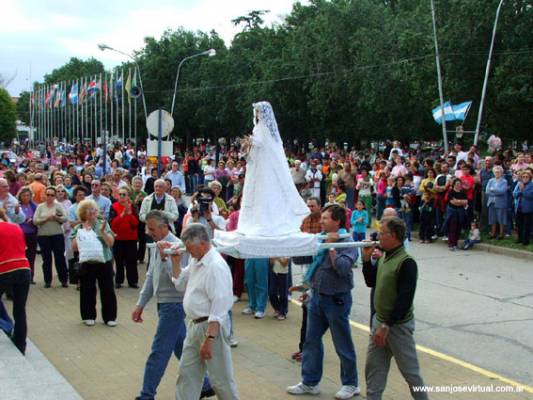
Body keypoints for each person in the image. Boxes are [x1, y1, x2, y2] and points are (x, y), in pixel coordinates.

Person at [132, 211, 213, 400]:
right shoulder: (158, 245)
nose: (148, 232)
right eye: (148, 228)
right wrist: (140, 304)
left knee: (159, 352)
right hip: (164, 305)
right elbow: (151, 276)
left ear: (164, 227)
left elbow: (179, 280)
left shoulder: (178, 246)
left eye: (152, 228)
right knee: (182, 348)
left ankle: (146, 395)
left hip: (174, 306)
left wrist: (164, 258)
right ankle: (205, 385)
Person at [287, 204, 360, 399]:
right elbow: (310, 264)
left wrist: (332, 246)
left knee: (342, 343)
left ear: (337, 221)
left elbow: (342, 268)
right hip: (317, 298)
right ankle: (310, 382)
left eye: (325, 218)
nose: (321, 221)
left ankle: (351, 384)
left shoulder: (347, 242)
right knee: (311, 341)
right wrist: (307, 288)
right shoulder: (320, 239)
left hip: (337, 300)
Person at [169, 223, 239, 400]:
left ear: (202, 243)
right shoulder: (196, 260)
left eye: (189, 247)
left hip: (211, 327)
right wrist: (175, 262)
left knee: (221, 380)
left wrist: (209, 339)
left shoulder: (215, 266)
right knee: (186, 375)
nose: (187, 251)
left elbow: (220, 307)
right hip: (194, 325)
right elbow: (180, 284)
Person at [362, 216, 428, 400]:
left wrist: (386, 326)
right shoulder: (384, 256)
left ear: (393, 236)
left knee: (411, 373)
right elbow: (371, 281)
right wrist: (366, 259)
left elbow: (404, 300)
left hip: (397, 327)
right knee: (374, 370)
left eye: (381, 233)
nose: (377, 237)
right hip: (380, 322)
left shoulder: (406, 262)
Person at [238, 101, 309, 236]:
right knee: (259, 191)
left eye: (258, 111)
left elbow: (263, 143)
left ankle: (266, 220)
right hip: (259, 164)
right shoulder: (259, 127)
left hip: (265, 165)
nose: (257, 114)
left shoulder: (264, 128)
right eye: (256, 111)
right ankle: (258, 220)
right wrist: (248, 144)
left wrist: (251, 141)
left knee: (266, 190)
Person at [71, 199, 117, 327]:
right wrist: (82, 234)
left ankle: (110, 317)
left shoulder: (103, 224)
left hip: (104, 261)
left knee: (107, 289)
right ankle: (88, 316)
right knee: (87, 290)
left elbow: (110, 243)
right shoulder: (79, 227)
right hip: (87, 262)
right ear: (83, 213)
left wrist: (102, 232)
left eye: (93, 209)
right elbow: (74, 247)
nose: (92, 212)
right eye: (88, 209)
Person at [0, 208, 31, 354]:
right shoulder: (16, 227)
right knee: (19, 309)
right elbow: (23, 248)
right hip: (24, 268)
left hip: (4, 269)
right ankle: (20, 344)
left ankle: (6, 325)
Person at [33, 186, 69, 288]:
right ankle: (47, 281)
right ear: (45, 195)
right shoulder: (40, 207)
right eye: (48, 194)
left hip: (57, 235)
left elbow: (65, 218)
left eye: (52, 195)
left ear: (55, 196)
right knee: (46, 259)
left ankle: (63, 280)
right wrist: (46, 218)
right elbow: (35, 221)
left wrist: (56, 217)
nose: (49, 197)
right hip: (43, 236)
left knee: (60, 258)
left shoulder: (58, 206)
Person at [110, 186, 140, 289]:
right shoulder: (113, 206)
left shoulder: (133, 206)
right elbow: (112, 224)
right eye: (120, 194)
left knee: (131, 261)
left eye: (124, 194)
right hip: (118, 239)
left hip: (131, 239)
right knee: (119, 261)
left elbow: (136, 224)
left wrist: (130, 215)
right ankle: (119, 280)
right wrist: (122, 215)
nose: (122, 196)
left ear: (128, 196)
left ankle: (133, 281)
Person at [17, 187, 38, 283]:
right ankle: (21, 277)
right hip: (20, 235)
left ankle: (30, 277)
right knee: (21, 256)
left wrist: (33, 220)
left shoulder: (34, 206)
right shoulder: (17, 206)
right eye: (24, 195)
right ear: (20, 196)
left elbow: (37, 218)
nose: (26, 197)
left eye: (28, 195)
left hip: (32, 234)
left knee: (31, 256)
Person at [486, 166, 508, 240]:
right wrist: (496, 191)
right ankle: (493, 234)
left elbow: (502, 191)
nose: (497, 173)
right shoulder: (490, 180)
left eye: (499, 172)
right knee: (492, 218)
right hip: (491, 202)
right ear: (493, 173)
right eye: (496, 172)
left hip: (501, 202)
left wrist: (493, 190)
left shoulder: (504, 181)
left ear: (501, 173)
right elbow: (487, 191)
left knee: (501, 218)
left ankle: (501, 234)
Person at [513, 169, 533, 245]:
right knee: (519, 225)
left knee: (526, 226)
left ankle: (526, 241)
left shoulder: (531, 185)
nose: (525, 178)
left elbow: (530, 196)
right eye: (523, 176)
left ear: (530, 178)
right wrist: (520, 191)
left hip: (528, 209)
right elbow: (514, 194)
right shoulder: (519, 184)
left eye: (526, 177)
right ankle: (520, 239)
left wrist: (522, 190)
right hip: (519, 208)